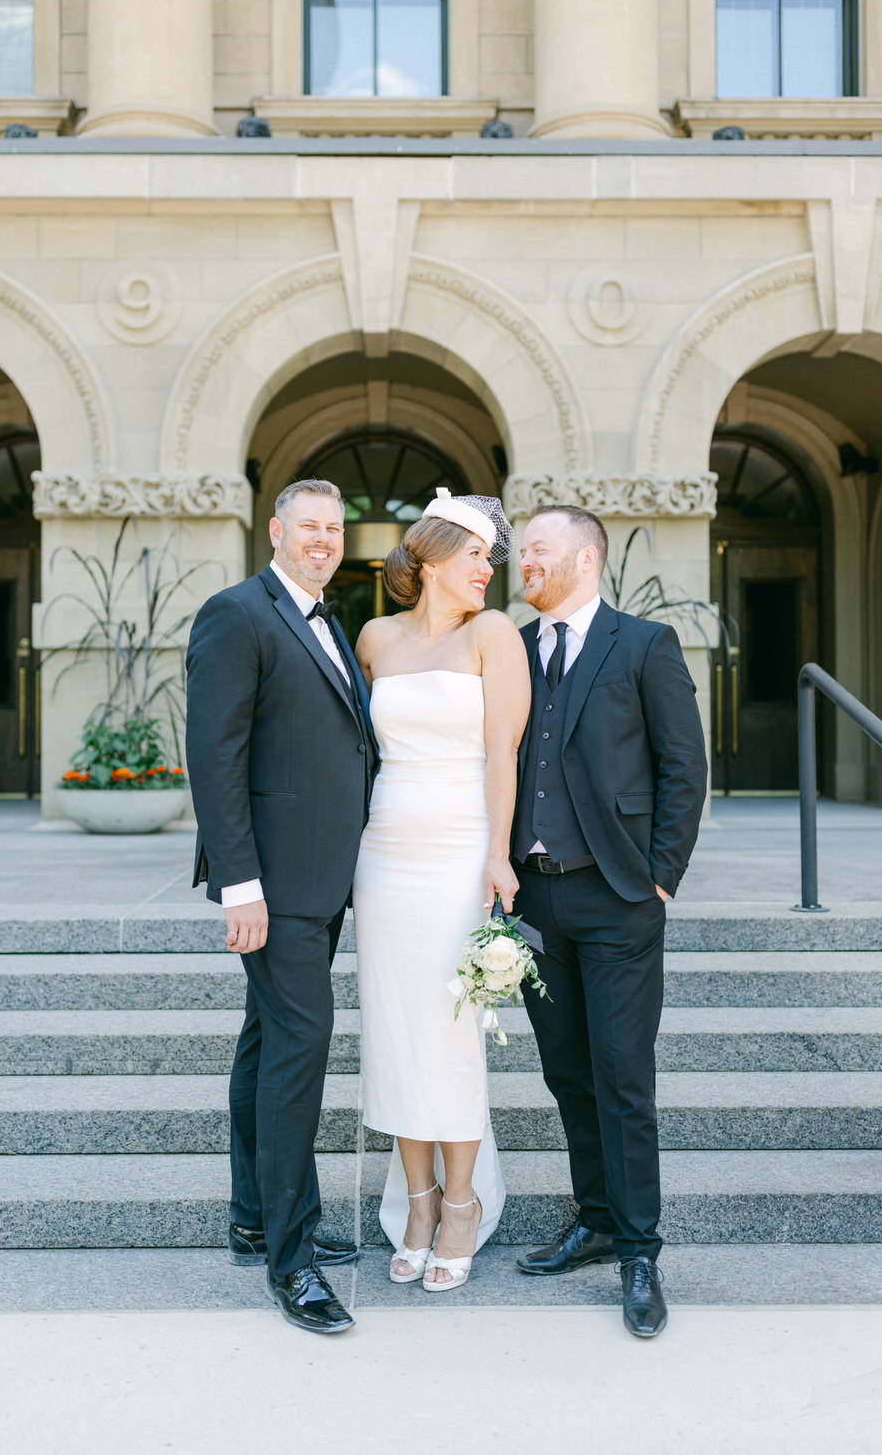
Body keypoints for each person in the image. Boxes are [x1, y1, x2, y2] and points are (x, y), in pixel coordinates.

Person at [185, 478, 378, 1336]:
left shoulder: (328, 619)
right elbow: (214, 756)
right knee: (300, 1049)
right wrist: (240, 884)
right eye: (309, 526)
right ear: (275, 530)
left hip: (322, 877)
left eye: (334, 528)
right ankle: (291, 1260)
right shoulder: (237, 614)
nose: (323, 539)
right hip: (273, 883)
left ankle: (253, 1214)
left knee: (267, 1042)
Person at [512, 504, 707, 1339]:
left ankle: (637, 1252)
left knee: (622, 1075)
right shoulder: (511, 649)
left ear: (584, 559)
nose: (524, 563)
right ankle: (593, 1219)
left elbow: (683, 766)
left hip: (619, 895)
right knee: (566, 1070)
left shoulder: (644, 645)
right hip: (533, 900)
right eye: (521, 551)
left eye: (538, 550)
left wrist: (658, 878)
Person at [353, 488, 531, 1292]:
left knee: (452, 1031)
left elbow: (503, 755)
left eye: (490, 560)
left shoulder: (492, 633)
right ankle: (416, 1204)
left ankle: (460, 1205)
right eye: (473, 558)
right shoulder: (373, 638)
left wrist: (497, 856)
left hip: (461, 851)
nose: (486, 572)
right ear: (427, 562)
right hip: (384, 851)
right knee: (393, 1032)